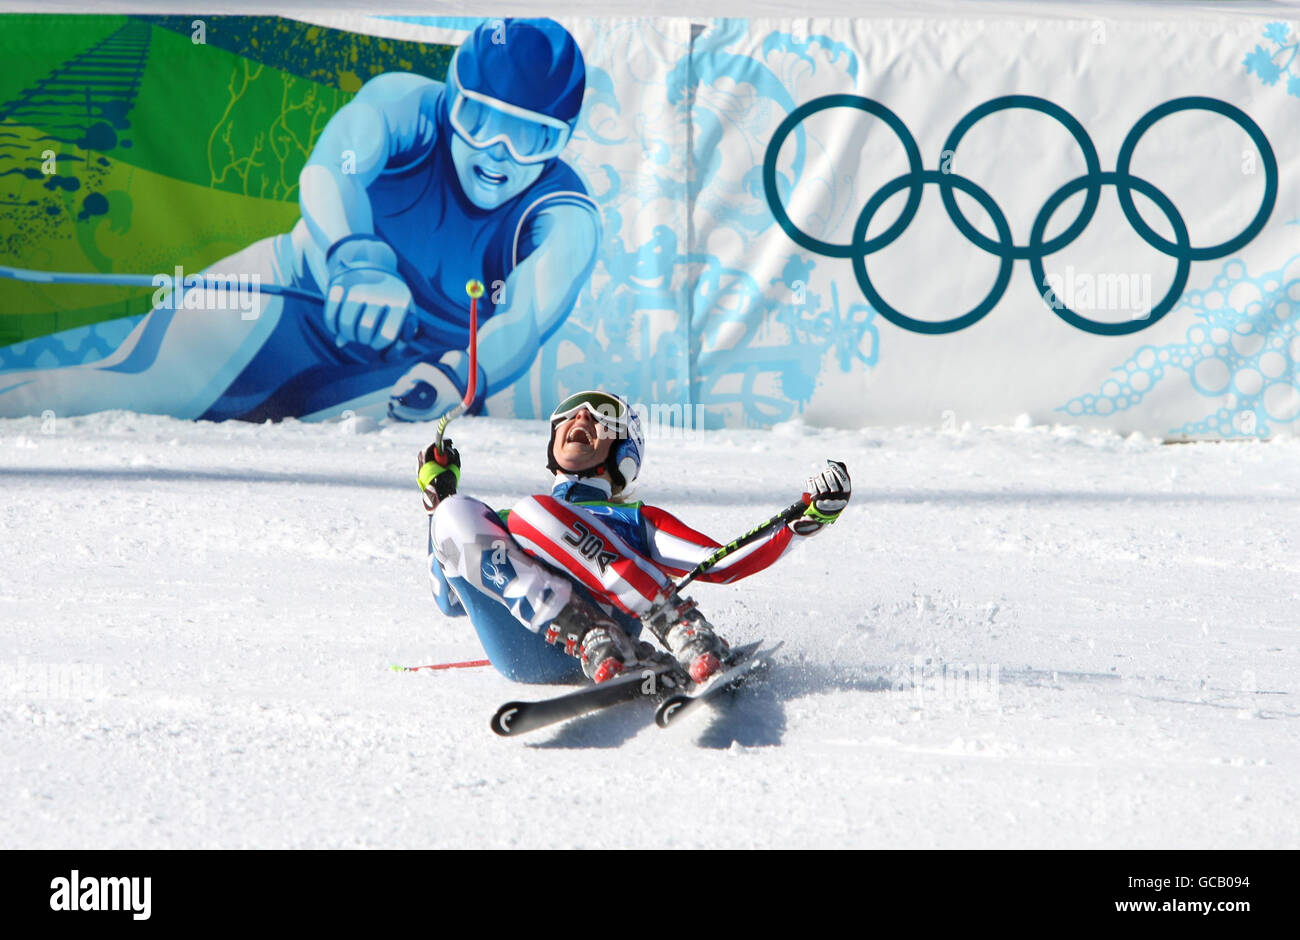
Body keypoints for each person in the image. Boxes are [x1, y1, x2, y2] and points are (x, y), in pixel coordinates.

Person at [0, 18, 599, 423]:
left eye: (529, 138)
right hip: (288, 297)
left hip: (404, 367)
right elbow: (331, 170)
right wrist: (357, 261)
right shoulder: (406, 108)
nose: (498, 152)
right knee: (117, 398)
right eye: (480, 120)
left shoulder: (564, 217)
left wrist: (457, 379)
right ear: (451, 97)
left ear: (562, 142)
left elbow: (524, 319)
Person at [417, 389, 852, 685]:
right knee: (456, 513)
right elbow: (451, 602)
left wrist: (808, 518)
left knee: (533, 514)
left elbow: (719, 562)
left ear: (624, 451)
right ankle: (584, 633)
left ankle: (678, 624)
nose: (582, 416)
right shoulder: (502, 521)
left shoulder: (631, 517)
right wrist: (440, 502)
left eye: (602, 415)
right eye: (569, 412)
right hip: (523, 652)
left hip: (617, 632)